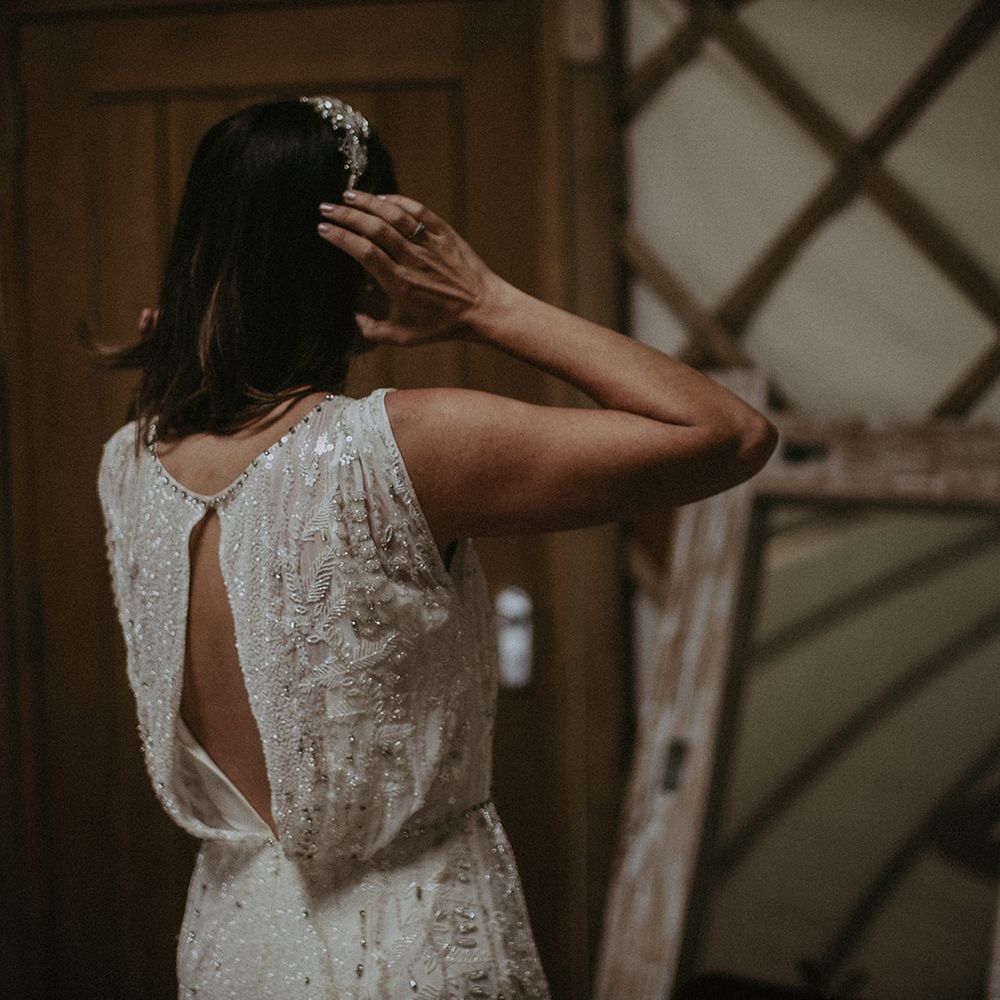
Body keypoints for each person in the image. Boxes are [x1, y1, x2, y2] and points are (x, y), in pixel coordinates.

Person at [97, 97, 776, 1000]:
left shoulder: (128, 462)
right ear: (360, 259)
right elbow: (728, 434)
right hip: (414, 947)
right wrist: (486, 305)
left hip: (233, 951)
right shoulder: (398, 450)